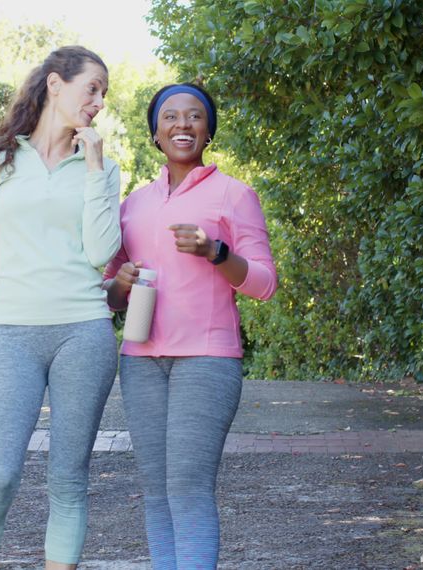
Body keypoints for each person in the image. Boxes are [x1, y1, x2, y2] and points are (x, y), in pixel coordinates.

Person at [0, 46, 121, 570]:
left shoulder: (104, 169)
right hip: (14, 334)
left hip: (84, 333)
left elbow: (101, 254)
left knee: (68, 479)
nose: (97, 103)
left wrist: (93, 167)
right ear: (54, 84)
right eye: (91, 88)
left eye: (103, 95)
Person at [104, 83, 278, 569]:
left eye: (194, 116)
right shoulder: (133, 205)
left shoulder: (235, 194)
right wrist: (119, 281)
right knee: (156, 489)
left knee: (187, 484)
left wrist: (215, 252)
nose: (183, 124)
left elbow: (264, 283)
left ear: (208, 130)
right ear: (155, 133)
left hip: (207, 359)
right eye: (171, 117)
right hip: (140, 361)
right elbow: (110, 297)